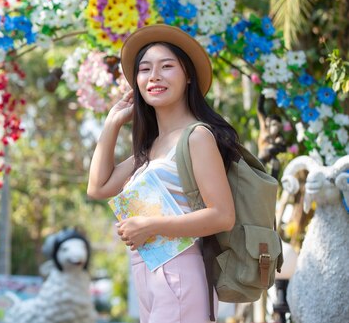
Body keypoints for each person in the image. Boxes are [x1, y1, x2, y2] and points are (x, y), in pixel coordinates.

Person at [87, 24, 239, 323]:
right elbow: (98, 187)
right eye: (145, 69)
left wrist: (150, 226)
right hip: (149, 273)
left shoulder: (196, 137)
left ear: (188, 76)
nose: (154, 76)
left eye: (167, 66)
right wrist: (112, 124)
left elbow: (223, 215)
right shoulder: (151, 147)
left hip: (180, 272)